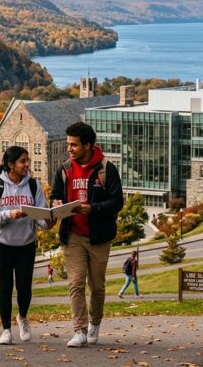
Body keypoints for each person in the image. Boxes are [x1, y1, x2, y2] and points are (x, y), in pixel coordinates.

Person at [50, 122, 124, 348]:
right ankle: (79, 330)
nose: (69, 149)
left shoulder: (106, 169)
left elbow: (117, 202)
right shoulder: (64, 169)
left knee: (97, 286)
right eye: (68, 144)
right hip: (73, 234)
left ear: (88, 145)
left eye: (74, 145)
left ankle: (95, 323)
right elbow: (55, 195)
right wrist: (56, 203)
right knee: (76, 283)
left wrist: (93, 208)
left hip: (99, 236)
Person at [0, 145, 51, 345]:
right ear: (10, 165)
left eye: (28, 160)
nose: (27, 165)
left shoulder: (33, 185)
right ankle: (6, 329)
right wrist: (9, 214)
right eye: (23, 161)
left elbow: (41, 215)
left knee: (24, 287)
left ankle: (22, 317)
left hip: (26, 244)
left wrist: (48, 221)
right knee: (5, 287)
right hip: (2, 245)